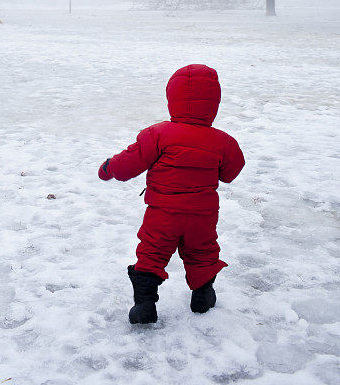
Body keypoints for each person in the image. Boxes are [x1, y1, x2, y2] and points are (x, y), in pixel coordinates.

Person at [98, 63, 245, 324]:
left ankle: (145, 305)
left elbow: (128, 163)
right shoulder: (223, 141)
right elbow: (231, 173)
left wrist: (109, 167)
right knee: (202, 252)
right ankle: (203, 296)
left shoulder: (158, 134)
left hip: (162, 213)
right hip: (203, 215)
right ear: (214, 102)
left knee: (152, 252)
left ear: (173, 99)